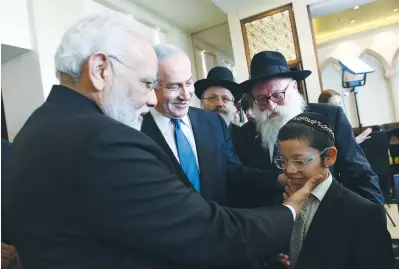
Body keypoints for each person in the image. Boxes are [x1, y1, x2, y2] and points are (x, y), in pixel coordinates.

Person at [3, 13, 321, 269]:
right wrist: (292, 209)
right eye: (146, 83)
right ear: (100, 69)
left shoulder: (36, 128)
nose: (151, 99)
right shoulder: (104, 140)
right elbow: (208, 233)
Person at [141, 44, 285, 209]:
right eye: (174, 86)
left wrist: (278, 179)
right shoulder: (135, 127)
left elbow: (233, 171)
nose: (186, 95)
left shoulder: (211, 122)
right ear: (152, 85)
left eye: (188, 83)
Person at [233, 51, 384, 207]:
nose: (271, 106)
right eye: (261, 99)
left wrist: (374, 217)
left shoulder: (330, 117)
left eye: (278, 95)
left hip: (329, 216)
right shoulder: (245, 133)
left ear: (294, 86)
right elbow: (242, 179)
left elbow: (360, 174)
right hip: (274, 225)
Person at [274, 112, 394, 269]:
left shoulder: (363, 213)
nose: (289, 170)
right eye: (283, 161)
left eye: (299, 161)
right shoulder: (281, 202)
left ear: (329, 156)